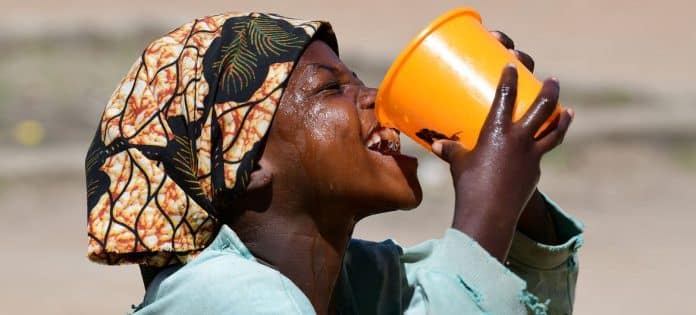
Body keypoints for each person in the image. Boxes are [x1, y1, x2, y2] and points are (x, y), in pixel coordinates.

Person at [85, 12, 582, 315]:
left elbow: (514, 303)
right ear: (248, 162)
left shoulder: (354, 284)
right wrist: (485, 210)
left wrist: (508, 176)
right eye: (330, 89)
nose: (375, 99)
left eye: (358, 81)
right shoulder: (218, 298)